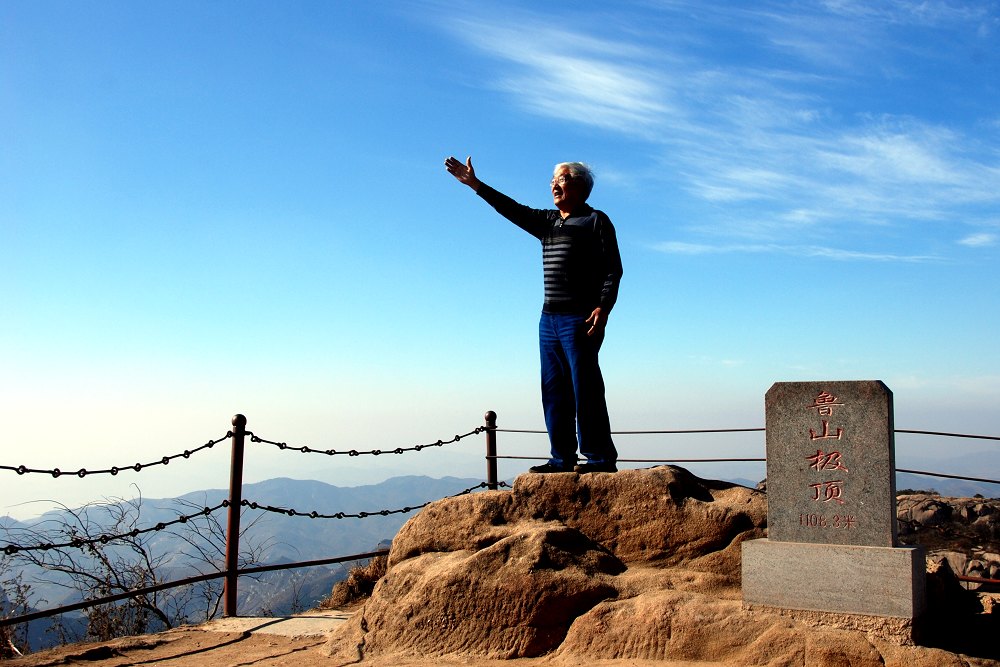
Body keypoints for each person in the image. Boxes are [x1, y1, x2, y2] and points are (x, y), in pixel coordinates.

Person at [444, 156, 623, 473]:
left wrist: (603, 307)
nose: (555, 183)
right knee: (554, 391)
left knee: (585, 388)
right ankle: (562, 458)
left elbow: (613, 270)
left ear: (582, 186)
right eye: (553, 178)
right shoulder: (548, 222)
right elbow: (511, 208)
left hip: (580, 318)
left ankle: (599, 458)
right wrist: (475, 185)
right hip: (548, 320)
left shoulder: (596, 221)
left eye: (563, 178)